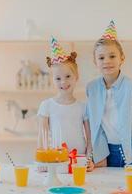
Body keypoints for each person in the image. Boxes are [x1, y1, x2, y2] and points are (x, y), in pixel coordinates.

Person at [86, 21, 132, 170]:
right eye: (101, 58)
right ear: (95, 61)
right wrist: (90, 156)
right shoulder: (91, 88)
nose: (107, 61)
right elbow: (92, 125)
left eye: (112, 56)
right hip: (103, 153)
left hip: (128, 152)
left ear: (122, 58)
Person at [37, 37, 94, 171]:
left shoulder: (83, 107)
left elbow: (90, 139)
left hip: (78, 161)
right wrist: (43, 160)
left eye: (68, 76)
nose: (63, 82)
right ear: (53, 80)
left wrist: (89, 159)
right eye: (58, 78)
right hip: (56, 161)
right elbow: (42, 138)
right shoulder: (46, 106)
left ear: (76, 77)